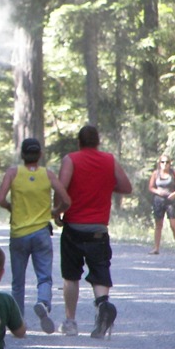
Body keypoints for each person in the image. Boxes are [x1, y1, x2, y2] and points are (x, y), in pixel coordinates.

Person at [55, 125, 132, 338]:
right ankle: (103, 306)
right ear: (98, 142)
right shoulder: (109, 160)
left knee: (71, 276)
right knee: (100, 271)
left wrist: (57, 212)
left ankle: (70, 322)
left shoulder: (71, 160)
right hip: (99, 229)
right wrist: (105, 185)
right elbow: (126, 187)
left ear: (79, 142)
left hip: (73, 227)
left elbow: (61, 189)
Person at [0, 138, 71, 334]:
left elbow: (0, 199)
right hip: (41, 233)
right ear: (40, 155)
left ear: (22, 155)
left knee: (17, 281)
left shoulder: (13, 173)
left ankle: (18, 322)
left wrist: (11, 208)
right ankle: (43, 303)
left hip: (19, 234)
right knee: (44, 276)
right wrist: (55, 212)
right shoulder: (47, 174)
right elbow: (66, 200)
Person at [147, 154, 175, 254]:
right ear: (159, 163)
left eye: (167, 162)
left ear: (170, 163)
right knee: (158, 225)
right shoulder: (156, 174)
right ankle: (156, 248)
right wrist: (158, 192)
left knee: (174, 225)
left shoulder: (173, 173)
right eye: (162, 162)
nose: (165, 164)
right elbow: (151, 187)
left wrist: (174, 194)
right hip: (158, 201)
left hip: (171, 202)